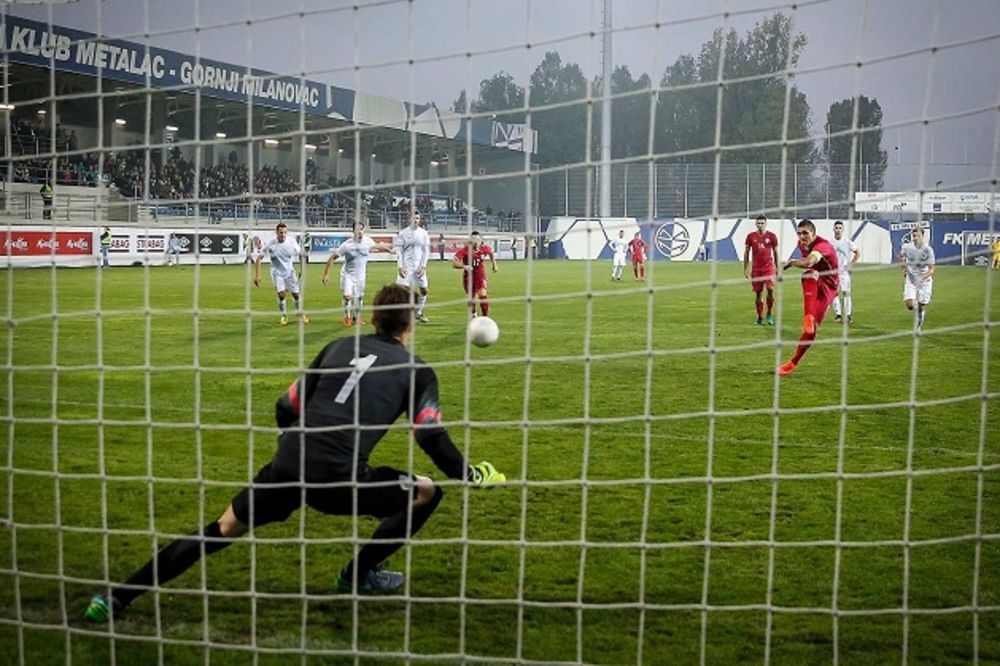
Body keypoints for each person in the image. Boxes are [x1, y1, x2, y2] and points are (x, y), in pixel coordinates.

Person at [83, 284, 507, 623]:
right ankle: (356, 576)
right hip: (342, 479)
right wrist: (469, 473)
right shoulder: (416, 368)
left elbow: (286, 406)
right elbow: (428, 434)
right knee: (427, 492)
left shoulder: (339, 347)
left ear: (372, 318)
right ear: (409, 324)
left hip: (288, 464)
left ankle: (117, 598)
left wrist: (301, 447)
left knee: (222, 528)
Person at [778, 219, 839, 376]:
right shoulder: (802, 244)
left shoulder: (822, 245)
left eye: (805, 233)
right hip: (817, 280)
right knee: (809, 330)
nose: (802, 236)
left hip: (829, 287)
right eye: (799, 233)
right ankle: (792, 363)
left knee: (809, 272)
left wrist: (791, 262)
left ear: (814, 234)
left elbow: (809, 261)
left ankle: (809, 317)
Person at [322, 221, 393, 327]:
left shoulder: (368, 241)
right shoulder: (347, 245)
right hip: (348, 275)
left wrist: (389, 250)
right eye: (357, 229)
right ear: (353, 231)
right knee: (347, 296)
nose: (359, 231)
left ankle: (357, 317)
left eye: (361, 229)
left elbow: (378, 245)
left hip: (361, 276)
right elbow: (332, 257)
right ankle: (347, 317)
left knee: (359, 298)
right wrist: (326, 274)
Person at [254, 222, 309, 326]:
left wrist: (302, 270)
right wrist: (257, 275)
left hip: (290, 272)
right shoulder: (271, 244)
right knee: (281, 295)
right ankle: (284, 315)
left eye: (284, 232)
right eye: (280, 232)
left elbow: (301, 255)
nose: (283, 234)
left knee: (296, 295)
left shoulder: (292, 242)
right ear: (276, 232)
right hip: (277, 273)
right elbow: (259, 259)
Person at [394, 212, 431, 323]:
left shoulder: (424, 233)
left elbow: (426, 251)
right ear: (409, 219)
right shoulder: (403, 233)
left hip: (419, 268)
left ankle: (418, 312)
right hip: (406, 267)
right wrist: (400, 267)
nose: (415, 220)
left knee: (424, 290)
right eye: (413, 218)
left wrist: (423, 267)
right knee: (402, 292)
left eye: (417, 218)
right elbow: (399, 251)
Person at [743, 214, 779, 325]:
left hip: (768, 268)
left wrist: (777, 268)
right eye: (758, 223)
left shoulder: (772, 236)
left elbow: (776, 252)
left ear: (766, 224)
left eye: (762, 223)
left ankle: (769, 314)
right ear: (755, 224)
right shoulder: (750, 236)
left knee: (770, 289)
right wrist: (746, 268)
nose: (760, 225)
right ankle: (759, 317)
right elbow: (746, 252)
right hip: (756, 270)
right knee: (758, 294)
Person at [453, 230, 497, 318]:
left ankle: (485, 318)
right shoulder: (464, 250)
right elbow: (454, 264)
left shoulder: (485, 248)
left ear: (480, 240)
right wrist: (464, 266)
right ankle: (474, 314)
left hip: (480, 275)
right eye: (473, 239)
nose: (475, 241)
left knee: (483, 294)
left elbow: (491, 253)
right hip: (468, 277)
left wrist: (494, 265)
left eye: (477, 239)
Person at [899, 226, 935, 331]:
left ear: (922, 236)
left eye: (918, 236)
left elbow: (932, 269)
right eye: (914, 236)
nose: (915, 238)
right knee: (910, 305)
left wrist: (923, 277)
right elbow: (901, 256)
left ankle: (918, 327)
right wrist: (904, 269)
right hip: (911, 279)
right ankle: (917, 309)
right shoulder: (907, 247)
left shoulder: (928, 250)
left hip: (925, 281)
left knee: (921, 307)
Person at [830, 221, 860, 324]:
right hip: (833, 272)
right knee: (834, 293)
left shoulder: (847, 242)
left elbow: (857, 252)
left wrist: (851, 264)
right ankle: (838, 315)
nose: (838, 230)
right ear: (833, 229)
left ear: (842, 230)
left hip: (844, 272)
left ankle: (848, 316)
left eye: (840, 228)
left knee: (846, 293)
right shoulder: (830, 243)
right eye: (836, 228)